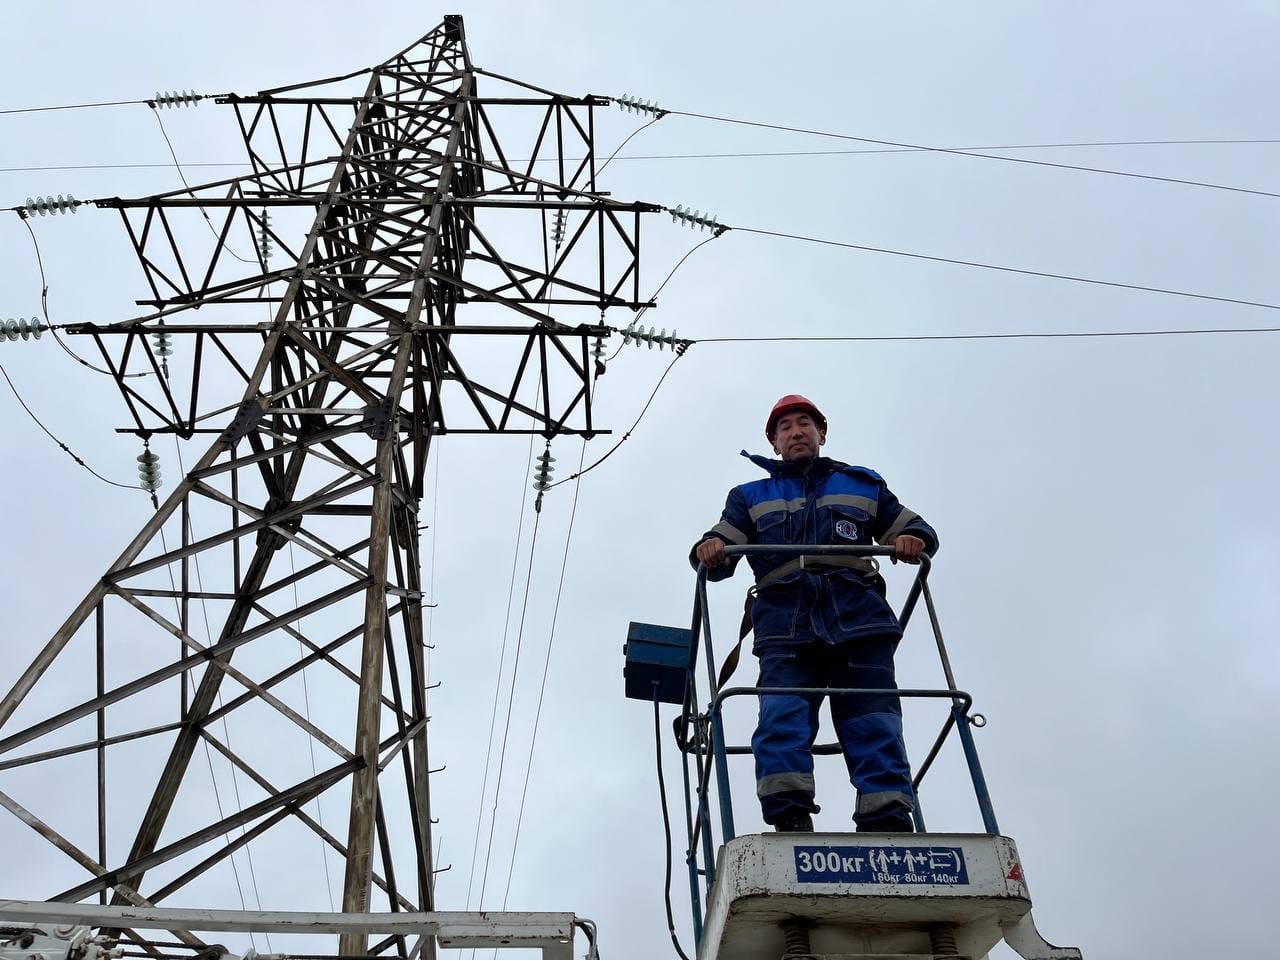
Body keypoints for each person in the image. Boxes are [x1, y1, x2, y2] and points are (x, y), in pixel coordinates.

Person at [690, 394, 938, 833]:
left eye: (804, 423)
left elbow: (914, 528)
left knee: (873, 718)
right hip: (784, 622)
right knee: (782, 715)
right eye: (785, 427)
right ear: (774, 442)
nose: (796, 432)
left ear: (821, 433)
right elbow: (719, 546)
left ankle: (886, 816)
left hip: (859, 618)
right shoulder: (749, 496)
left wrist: (912, 540)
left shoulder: (862, 486)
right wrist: (711, 550)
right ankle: (789, 815)